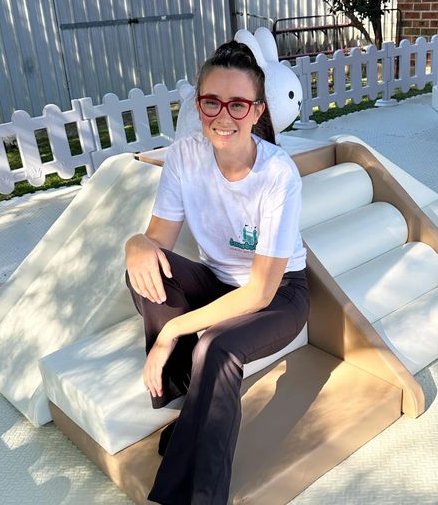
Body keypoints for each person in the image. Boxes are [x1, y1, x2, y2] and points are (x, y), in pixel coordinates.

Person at [124, 40, 309, 505]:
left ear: (258, 110)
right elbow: (156, 243)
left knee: (217, 347)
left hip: (280, 295)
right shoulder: (185, 157)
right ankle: (191, 407)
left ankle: (200, 495)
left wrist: (171, 335)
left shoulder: (277, 174)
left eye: (238, 104)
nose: (223, 116)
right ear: (198, 103)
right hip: (219, 282)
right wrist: (134, 245)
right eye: (211, 101)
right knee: (146, 272)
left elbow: (261, 293)